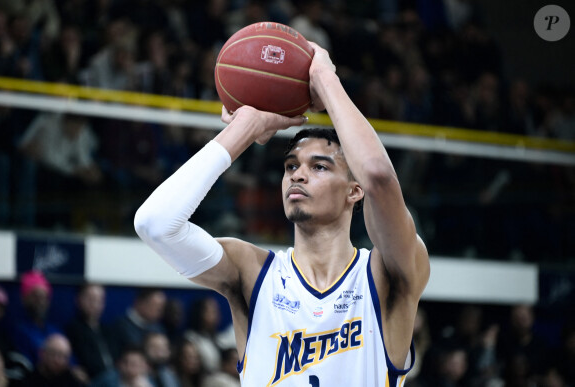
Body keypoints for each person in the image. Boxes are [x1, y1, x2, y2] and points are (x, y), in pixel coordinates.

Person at [135, 41, 430, 386]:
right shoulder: (252, 273)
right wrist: (243, 128)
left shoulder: (383, 274)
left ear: (354, 190)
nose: (298, 175)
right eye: (291, 166)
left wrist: (323, 76)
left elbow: (379, 176)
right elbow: (154, 224)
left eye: (319, 167)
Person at [64, 283, 113, 382]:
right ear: (78, 300)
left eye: (99, 300)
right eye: (90, 299)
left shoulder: (108, 330)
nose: (94, 304)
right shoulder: (72, 330)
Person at [106, 288, 166, 360]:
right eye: (156, 306)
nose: (160, 311)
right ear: (140, 303)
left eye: (161, 307)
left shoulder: (159, 329)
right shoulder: (120, 327)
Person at [20, 333, 86, 387]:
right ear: (42, 354)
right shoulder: (28, 382)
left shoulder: (70, 380)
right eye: (54, 354)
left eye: (64, 357)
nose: (58, 361)